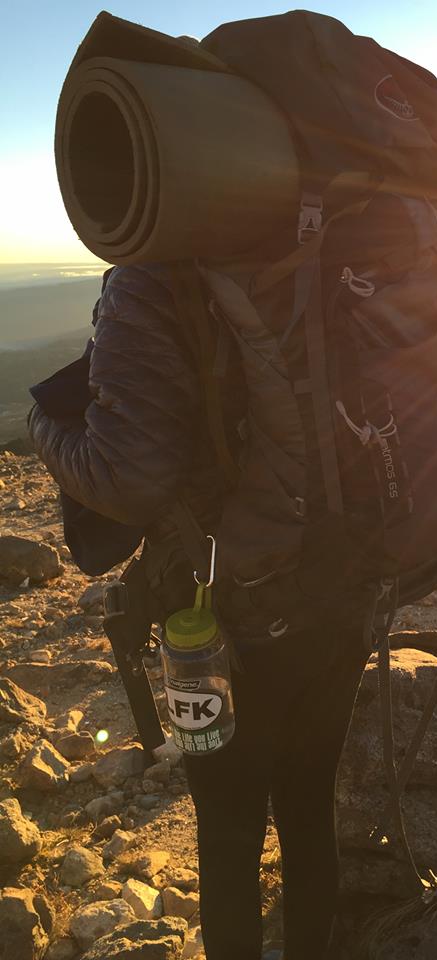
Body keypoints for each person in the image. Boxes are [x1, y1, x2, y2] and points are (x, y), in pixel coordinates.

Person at [28, 261, 370, 960]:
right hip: (341, 587)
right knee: (309, 808)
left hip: (219, 624)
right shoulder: (301, 235)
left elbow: (128, 477)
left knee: (228, 835)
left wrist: (41, 422)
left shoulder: (152, 274)